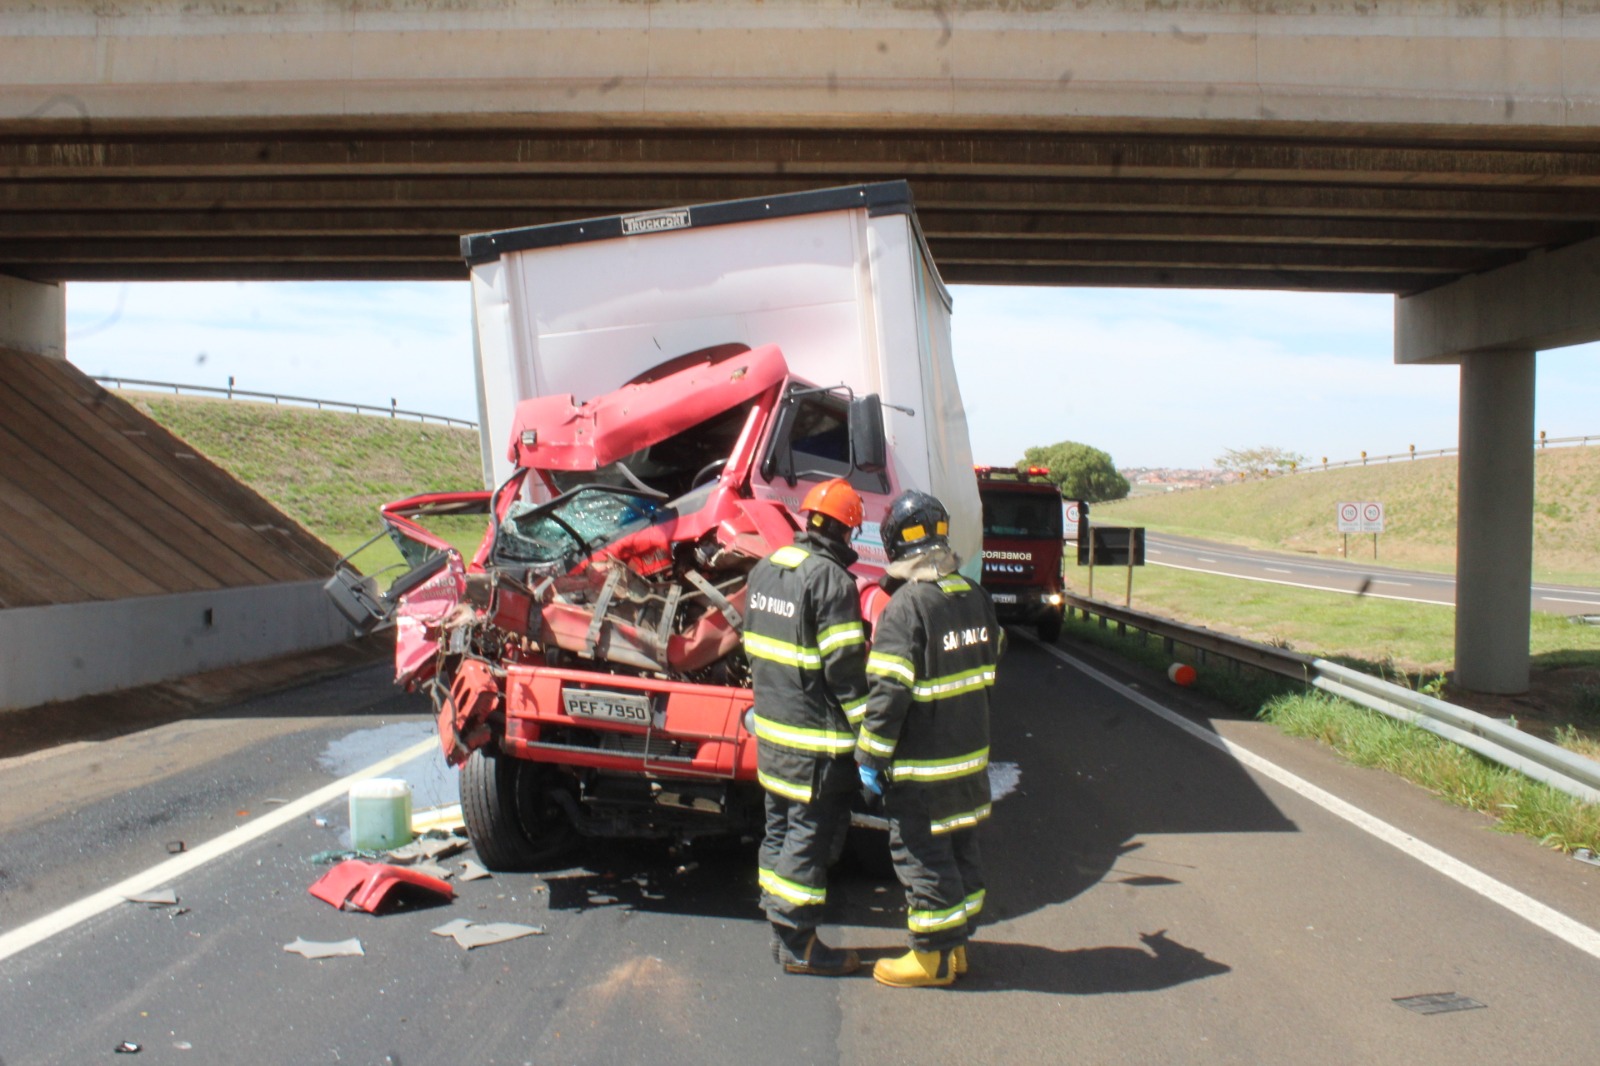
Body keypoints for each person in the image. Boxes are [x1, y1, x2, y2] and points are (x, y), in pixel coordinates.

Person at [856, 489, 1002, 988]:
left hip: (923, 771)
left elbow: (888, 694)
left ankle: (931, 959)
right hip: (969, 763)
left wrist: (869, 758)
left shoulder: (907, 607)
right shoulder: (975, 597)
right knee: (961, 853)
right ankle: (957, 947)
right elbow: (991, 659)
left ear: (895, 543)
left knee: (922, 857)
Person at [743, 477, 869, 976]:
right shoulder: (832, 581)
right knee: (807, 840)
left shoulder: (766, 568)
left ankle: (780, 935)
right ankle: (800, 944)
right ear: (845, 530)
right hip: (815, 747)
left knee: (777, 832)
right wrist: (870, 733)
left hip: (772, 738)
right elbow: (845, 671)